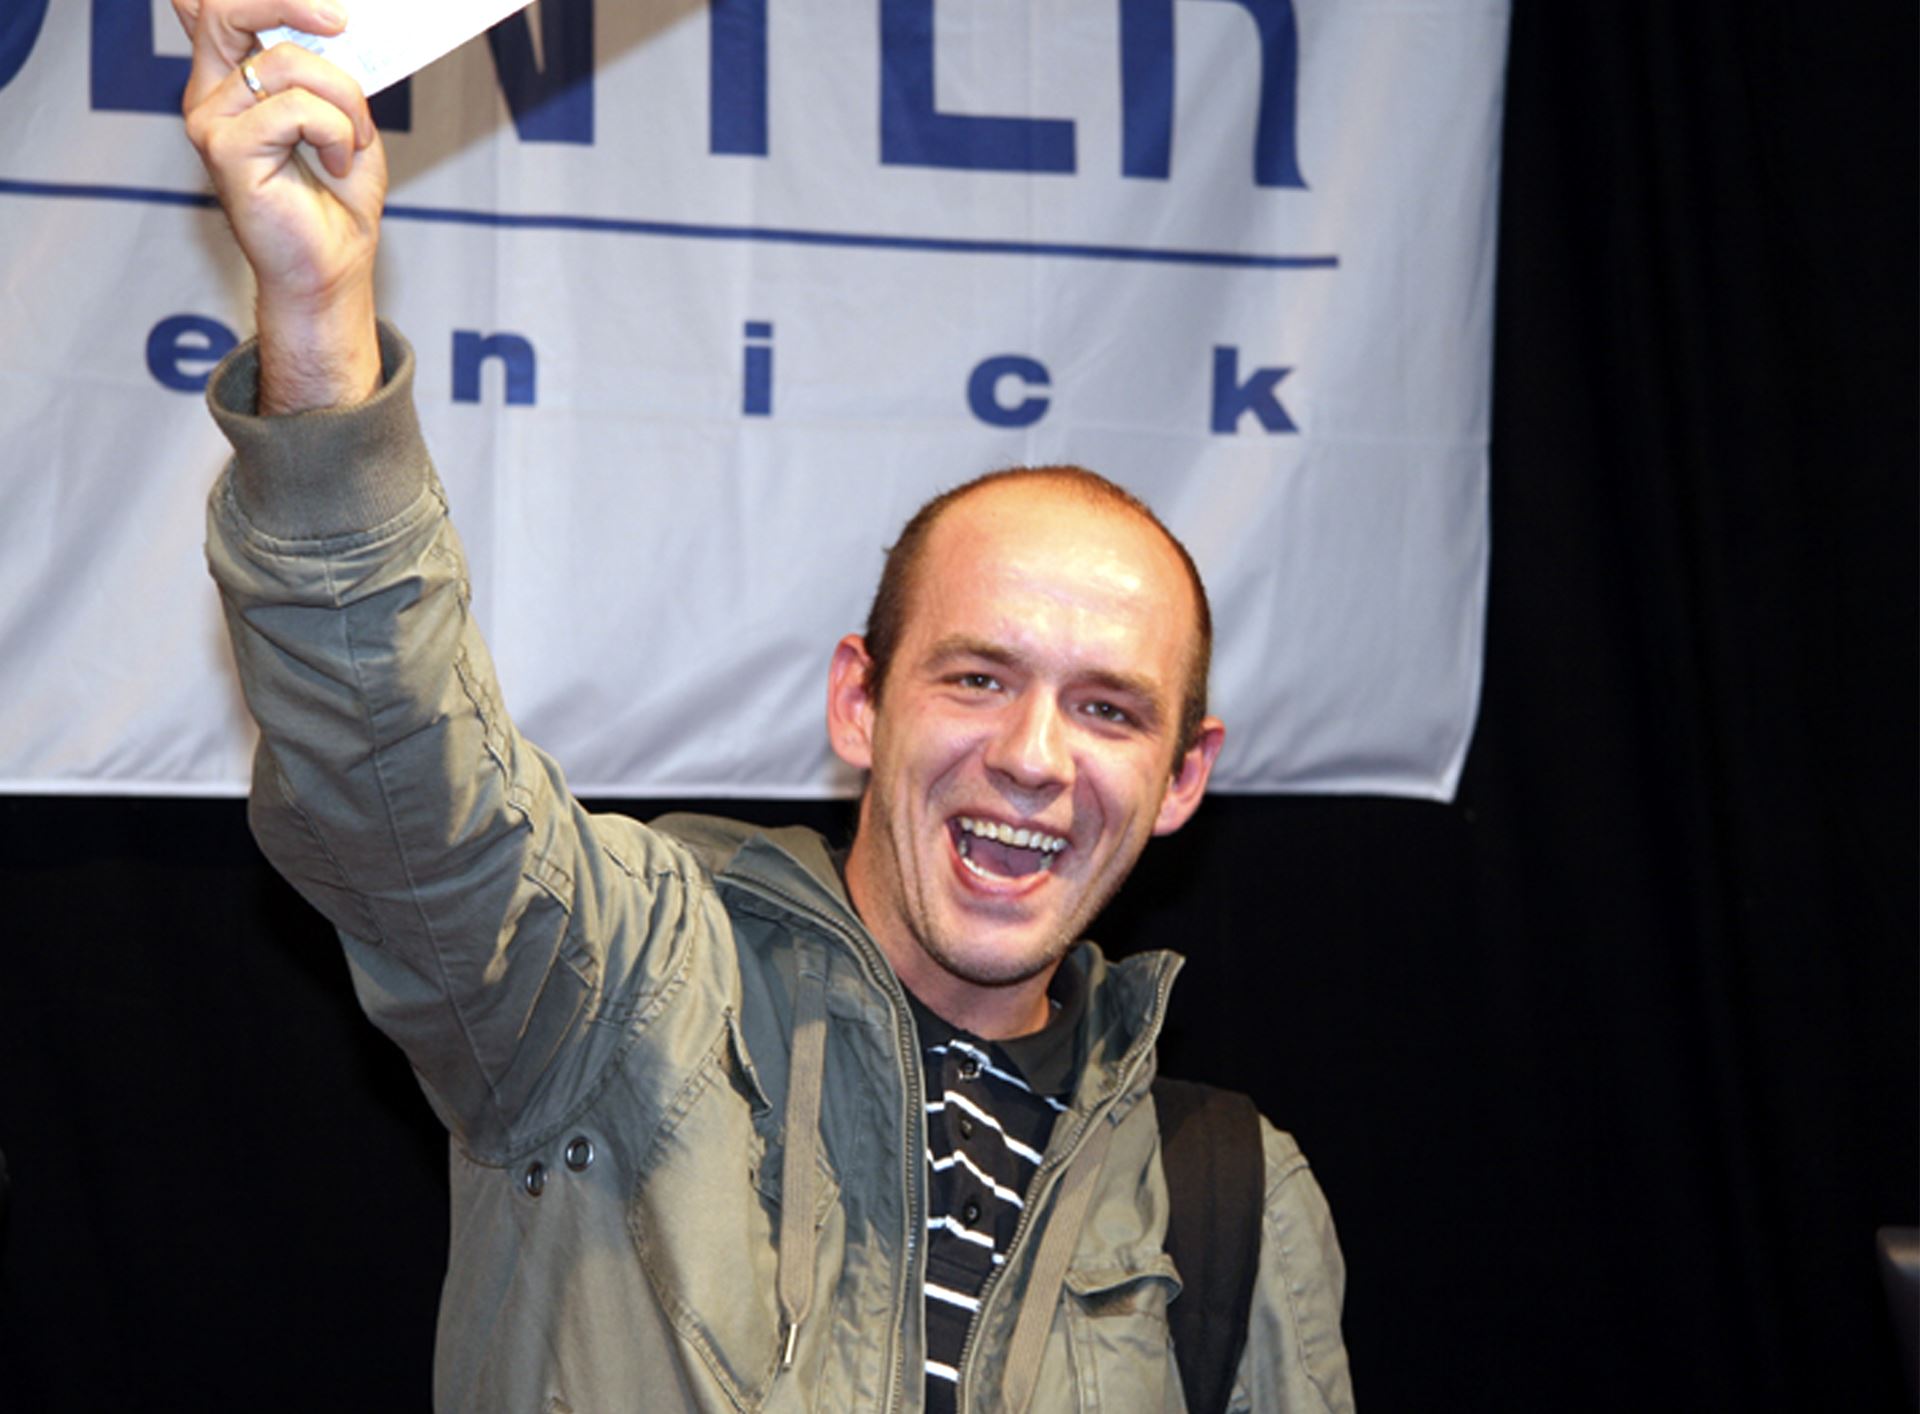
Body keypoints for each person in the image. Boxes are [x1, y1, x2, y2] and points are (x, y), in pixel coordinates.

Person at [179, 2, 1356, 1409]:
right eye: (978, 678)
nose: (1034, 757)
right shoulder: (621, 987)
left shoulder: (1230, 1202)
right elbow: (398, 770)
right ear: (860, 703)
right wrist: (318, 316)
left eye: (1109, 710)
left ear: (1183, 777)